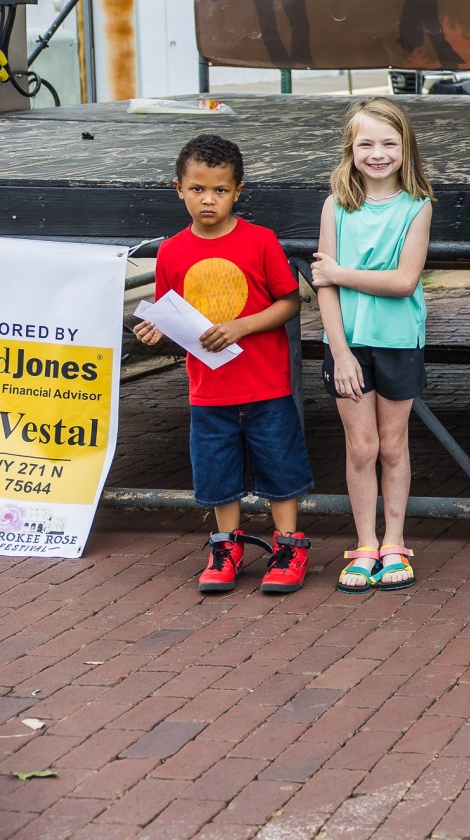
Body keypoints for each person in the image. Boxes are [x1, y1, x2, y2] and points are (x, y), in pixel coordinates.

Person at [132, 135, 311, 594]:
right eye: (197, 189)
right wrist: (156, 329)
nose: (208, 199)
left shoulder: (260, 241)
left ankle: (289, 547)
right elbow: (171, 312)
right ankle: (226, 547)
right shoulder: (171, 251)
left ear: (237, 191)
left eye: (220, 190)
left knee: (280, 467)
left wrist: (242, 326)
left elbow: (290, 301)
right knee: (217, 472)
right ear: (179, 189)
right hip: (208, 388)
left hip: (266, 384)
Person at [311, 100, 436, 593]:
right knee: (361, 447)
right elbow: (322, 287)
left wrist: (341, 273)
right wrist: (340, 352)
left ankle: (394, 541)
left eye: (388, 143)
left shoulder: (418, 206)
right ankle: (364, 543)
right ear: (351, 148)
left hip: (398, 340)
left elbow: (404, 281)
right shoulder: (336, 205)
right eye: (366, 144)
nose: (377, 153)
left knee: (392, 444)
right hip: (348, 344)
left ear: (406, 148)